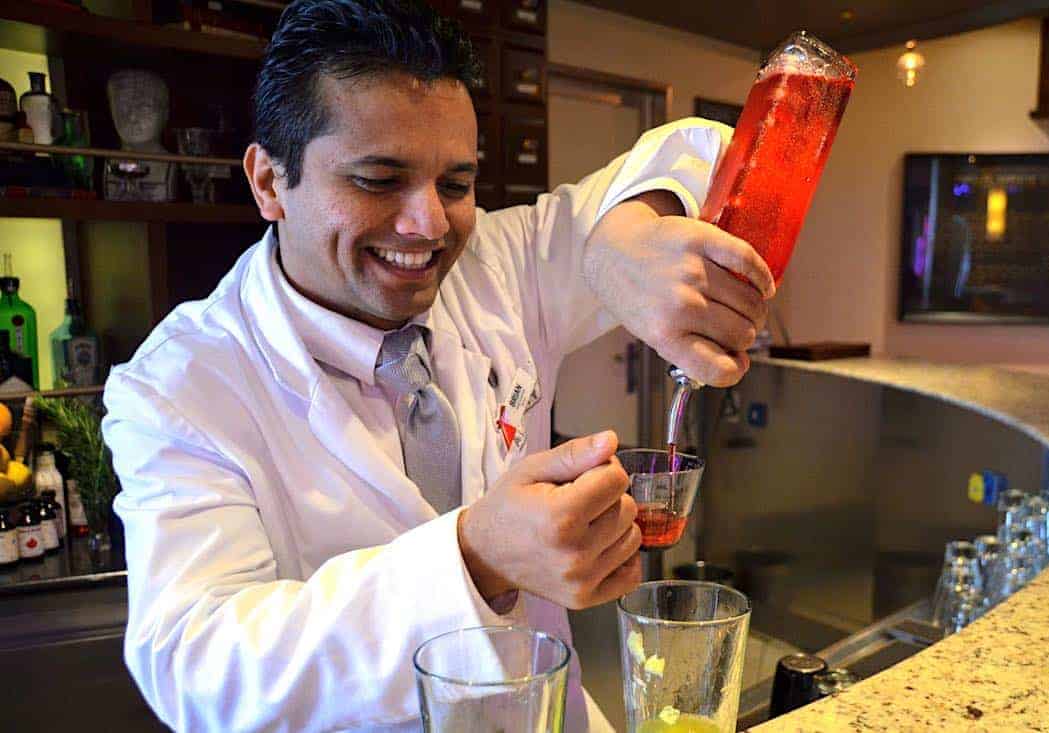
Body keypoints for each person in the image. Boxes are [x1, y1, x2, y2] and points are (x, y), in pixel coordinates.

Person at [102, 1, 774, 731]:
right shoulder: (183, 382)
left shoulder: (498, 263)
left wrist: (621, 236)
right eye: (377, 180)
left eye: (454, 184)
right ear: (269, 181)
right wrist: (475, 556)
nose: (428, 225)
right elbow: (198, 665)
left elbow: (705, 147)